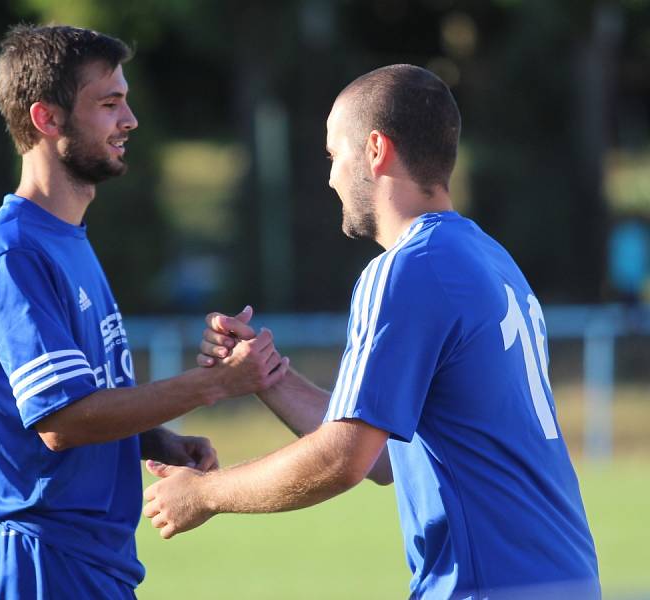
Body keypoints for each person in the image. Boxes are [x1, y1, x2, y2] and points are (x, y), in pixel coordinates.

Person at [143, 65, 601, 599]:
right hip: (560, 578)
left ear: (376, 149)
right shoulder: (487, 257)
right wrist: (267, 377)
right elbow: (383, 457)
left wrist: (206, 495)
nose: (331, 176)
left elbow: (344, 457)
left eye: (335, 154)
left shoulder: (407, 267)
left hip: (490, 585)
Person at [0, 24, 286, 599]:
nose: (129, 120)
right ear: (47, 119)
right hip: (38, 565)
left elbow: (88, 398)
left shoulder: (68, 239)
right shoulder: (12, 253)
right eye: (109, 104)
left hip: (92, 563)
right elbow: (62, 421)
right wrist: (214, 385)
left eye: (126, 101)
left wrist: (156, 441)